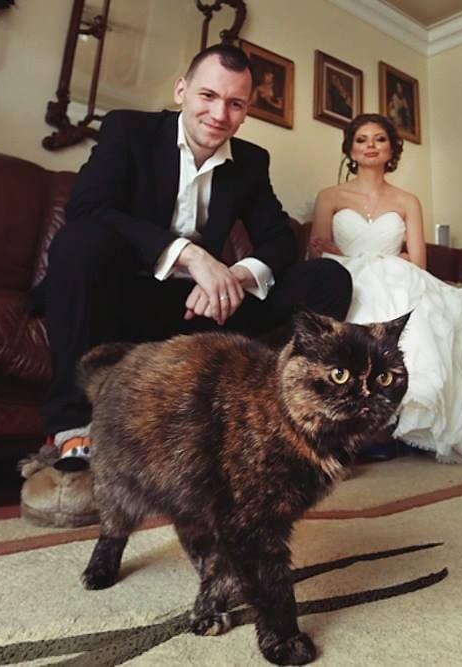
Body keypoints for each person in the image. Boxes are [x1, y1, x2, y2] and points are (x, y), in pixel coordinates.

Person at [37, 44, 352, 470]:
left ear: (246, 110)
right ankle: (73, 426)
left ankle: (289, 420)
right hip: (121, 298)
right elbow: (88, 208)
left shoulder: (251, 162)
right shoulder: (128, 130)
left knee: (329, 278)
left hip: (201, 310)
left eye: (235, 103)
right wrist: (192, 257)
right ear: (181, 90)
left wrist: (233, 277)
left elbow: (278, 239)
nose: (220, 114)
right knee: (81, 241)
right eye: (208, 96)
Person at [309, 113, 462, 465]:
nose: (370, 145)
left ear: (391, 149)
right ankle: (358, 427)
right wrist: (351, 256)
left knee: (419, 314)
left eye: (380, 139)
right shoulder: (329, 196)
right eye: (362, 139)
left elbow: (417, 261)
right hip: (344, 275)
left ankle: (396, 424)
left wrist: (390, 260)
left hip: (398, 274)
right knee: (359, 301)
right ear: (350, 149)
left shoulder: (407, 201)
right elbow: (316, 251)